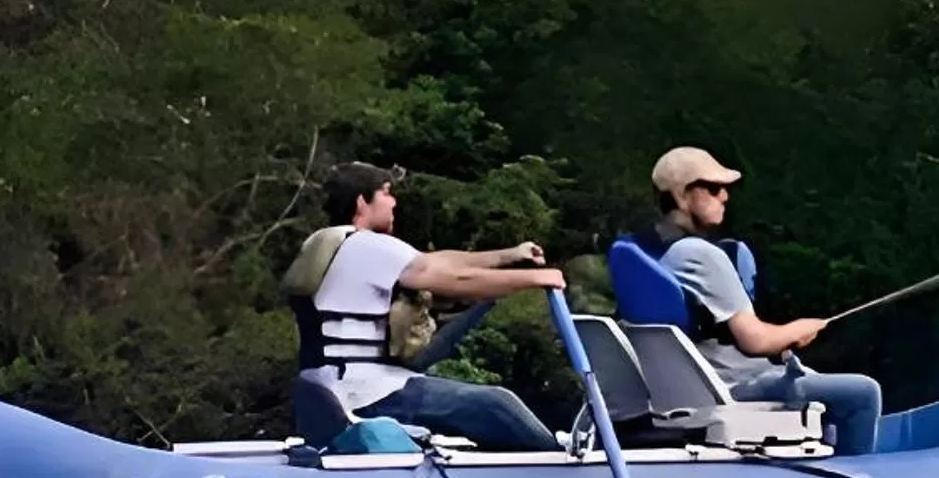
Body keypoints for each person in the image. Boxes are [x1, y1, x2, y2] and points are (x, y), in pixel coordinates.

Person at [622, 147, 883, 458]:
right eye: (714, 188)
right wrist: (798, 328)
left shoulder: (656, 256)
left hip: (686, 392)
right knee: (864, 393)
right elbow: (756, 341)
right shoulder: (703, 256)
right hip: (732, 386)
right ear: (681, 196)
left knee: (821, 390)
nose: (725, 197)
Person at [285, 163, 565, 452]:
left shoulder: (334, 243)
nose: (394, 201)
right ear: (361, 201)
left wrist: (509, 255)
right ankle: (562, 467)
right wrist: (536, 278)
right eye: (386, 193)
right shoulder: (366, 245)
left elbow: (437, 261)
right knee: (495, 404)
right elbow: (453, 277)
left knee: (477, 408)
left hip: (338, 389)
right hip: (369, 392)